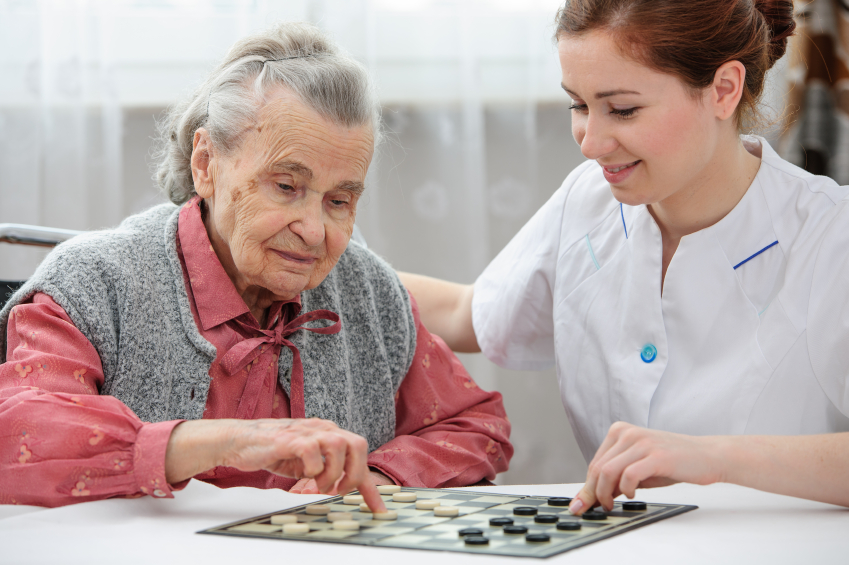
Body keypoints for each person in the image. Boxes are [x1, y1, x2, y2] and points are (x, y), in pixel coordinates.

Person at [0, 22, 512, 508]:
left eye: (339, 200)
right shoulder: (92, 284)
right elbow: (20, 430)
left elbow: (475, 425)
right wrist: (221, 443)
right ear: (206, 164)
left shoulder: (369, 291)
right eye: (287, 187)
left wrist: (375, 476)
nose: (313, 231)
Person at [399, 0, 849, 512]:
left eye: (623, 109)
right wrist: (316, 269)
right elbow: (469, 314)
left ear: (724, 89)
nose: (590, 142)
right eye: (578, 105)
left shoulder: (832, 237)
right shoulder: (588, 200)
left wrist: (715, 458)